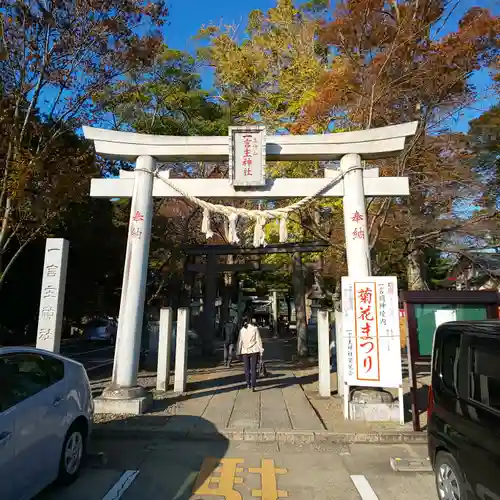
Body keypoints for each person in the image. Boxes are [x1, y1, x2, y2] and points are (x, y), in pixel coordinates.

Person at [236, 316, 264, 391]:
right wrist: (261, 351)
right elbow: (258, 340)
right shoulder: (255, 329)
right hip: (254, 350)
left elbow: (240, 342)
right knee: (253, 369)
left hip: (245, 351)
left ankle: (248, 383)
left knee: (246, 369)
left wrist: (238, 352)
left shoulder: (242, 330)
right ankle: (253, 386)